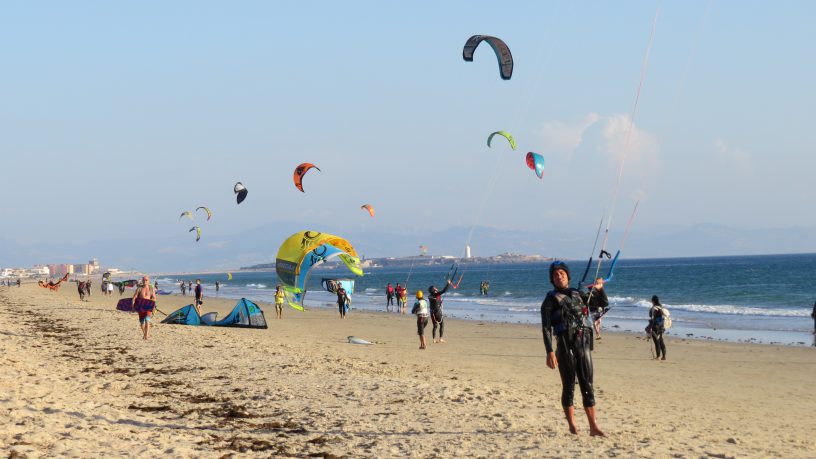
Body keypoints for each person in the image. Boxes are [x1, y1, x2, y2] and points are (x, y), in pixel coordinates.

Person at [541, 261, 604, 436]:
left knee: (587, 385)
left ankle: (593, 426)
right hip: (564, 345)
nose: (559, 276)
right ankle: (572, 425)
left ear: (568, 276)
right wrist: (549, 351)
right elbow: (546, 328)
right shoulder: (549, 300)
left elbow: (601, 304)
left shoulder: (580, 294)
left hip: (583, 345)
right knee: (569, 386)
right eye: (555, 275)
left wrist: (599, 288)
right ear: (552, 280)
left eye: (562, 273)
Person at [132, 276, 157, 340]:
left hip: (148, 306)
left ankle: (146, 336)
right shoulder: (139, 288)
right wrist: (133, 306)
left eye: (146, 280)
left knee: (147, 320)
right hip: (141, 307)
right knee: (141, 323)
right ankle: (144, 334)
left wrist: (153, 306)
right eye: (143, 280)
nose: (145, 281)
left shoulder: (151, 289)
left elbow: (154, 298)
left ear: (148, 281)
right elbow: (134, 297)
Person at [428, 279, 452, 343]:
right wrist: (448, 284)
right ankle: (441, 339)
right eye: (435, 288)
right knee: (442, 324)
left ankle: (434, 339)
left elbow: (436, 300)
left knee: (435, 326)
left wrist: (439, 302)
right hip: (437, 312)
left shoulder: (429, 296)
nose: (436, 288)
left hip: (431, 312)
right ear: (434, 290)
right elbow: (444, 290)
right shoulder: (436, 295)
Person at [648, 295, 667, 361]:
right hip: (661, 326)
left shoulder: (654, 308)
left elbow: (652, 317)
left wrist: (650, 327)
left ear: (653, 301)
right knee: (661, 340)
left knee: (656, 341)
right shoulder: (661, 307)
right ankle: (664, 356)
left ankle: (658, 356)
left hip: (655, 326)